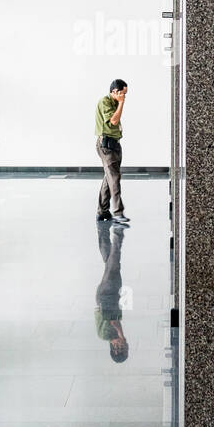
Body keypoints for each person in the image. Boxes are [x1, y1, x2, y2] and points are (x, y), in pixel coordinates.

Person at [94, 78, 130, 225]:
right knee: (114, 178)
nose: (124, 97)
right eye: (123, 93)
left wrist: (120, 102)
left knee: (109, 179)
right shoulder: (105, 102)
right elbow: (114, 121)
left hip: (114, 145)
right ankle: (118, 213)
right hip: (106, 146)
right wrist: (121, 103)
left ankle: (102, 211)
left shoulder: (115, 102)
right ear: (114, 91)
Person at [95, 217, 129, 362]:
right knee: (109, 260)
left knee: (114, 263)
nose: (120, 346)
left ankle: (118, 230)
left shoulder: (108, 335)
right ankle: (102, 226)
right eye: (123, 348)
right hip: (109, 295)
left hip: (107, 295)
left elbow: (112, 321)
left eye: (119, 348)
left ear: (113, 348)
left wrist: (122, 335)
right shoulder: (105, 336)